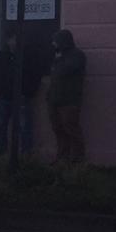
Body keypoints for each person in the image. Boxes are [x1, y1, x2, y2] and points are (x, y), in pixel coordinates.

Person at [0, 28, 43, 156]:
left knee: (24, 127)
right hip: (3, 97)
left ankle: (25, 155)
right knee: (1, 127)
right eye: (13, 38)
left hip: (22, 97)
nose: (16, 41)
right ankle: (1, 154)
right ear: (8, 40)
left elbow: (36, 75)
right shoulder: (0, 56)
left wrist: (28, 93)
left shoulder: (28, 56)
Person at [46, 28, 86, 163]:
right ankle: (62, 158)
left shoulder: (77, 55)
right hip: (55, 99)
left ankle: (77, 161)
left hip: (69, 100)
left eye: (55, 41)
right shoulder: (59, 57)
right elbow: (53, 75)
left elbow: (65, 71)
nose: (53, 44)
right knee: (58, 129)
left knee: (72, 130)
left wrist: (58, 61)